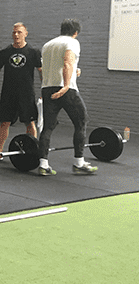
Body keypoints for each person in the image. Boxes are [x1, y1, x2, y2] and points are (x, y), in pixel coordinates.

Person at [37, 19, 95, 176]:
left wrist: (74, 71)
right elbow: (67, 62)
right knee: (81, 122)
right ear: (75, 33)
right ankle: (79, 163)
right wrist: (66, 85)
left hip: (47, 88)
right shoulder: (72, 42)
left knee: (48, 126)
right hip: (65, 89)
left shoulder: (48, 45)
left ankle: (43, 164)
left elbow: (50, 68)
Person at [0, 22, 42, 161]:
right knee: (5, 122)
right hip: (8, 93)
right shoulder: (5, 52)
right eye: (14, 32)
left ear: (26, 33)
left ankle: (32, 151)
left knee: (30, 122)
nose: (16, 35)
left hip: (26, 94)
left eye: (19, 32)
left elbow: (41, 72)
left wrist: (44, 90)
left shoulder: (33, 52)